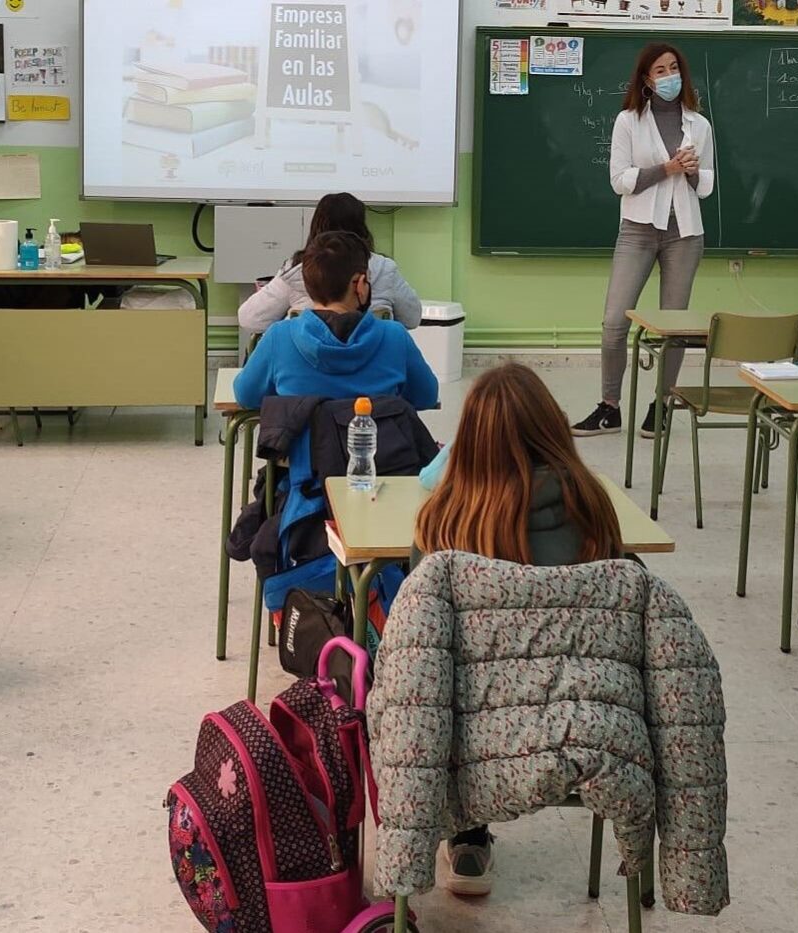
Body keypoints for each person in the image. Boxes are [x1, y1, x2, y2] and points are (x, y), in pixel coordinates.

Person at [411, 362, 626, 897]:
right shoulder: (595, 511)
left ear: (466, 444)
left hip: (471, 733)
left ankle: (467, 836)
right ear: (553, 427)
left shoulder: (441, 522)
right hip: (581, 722)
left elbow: (421, 647)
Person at [576, 41, 715, 439]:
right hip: (637, 230)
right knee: (614, 322)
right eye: (660, 70)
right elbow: (619, 180)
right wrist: (666, 168)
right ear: (646, 80)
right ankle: (610, 406)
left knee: (674, 326)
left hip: (684, 233)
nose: (670, 76)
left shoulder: (699, 125)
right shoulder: (628, 121)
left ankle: (662, 404)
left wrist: (691, 171)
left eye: (674, 68)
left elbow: (706, 186)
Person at [233, 230, 438, 410]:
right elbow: (426, 397)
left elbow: (246, 396)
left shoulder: (279, 337)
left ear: (307, 283)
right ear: (360, 284)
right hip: (378, 443)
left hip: (307, 445)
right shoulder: (394, 337)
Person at [236, 192, 422, 334]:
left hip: (306, 369)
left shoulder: (298, 270)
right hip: (375, 368)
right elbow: (412, 318)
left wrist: (285, 330)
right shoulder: (385, 269)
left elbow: (250, 319)